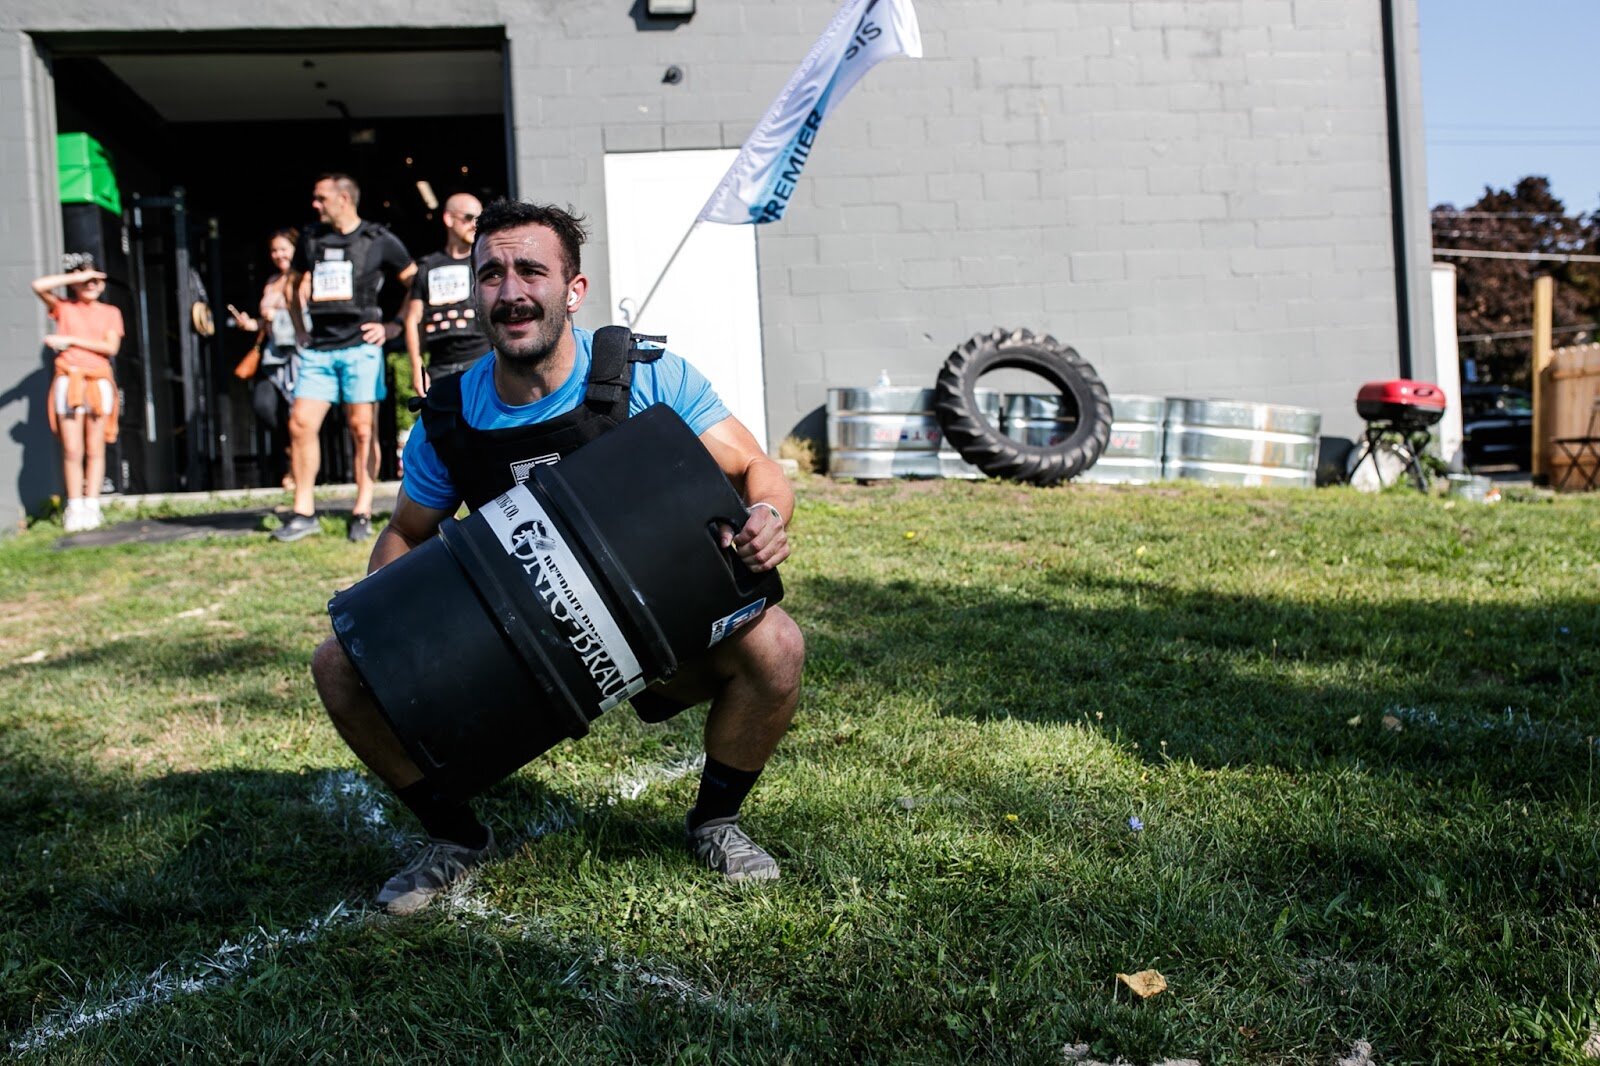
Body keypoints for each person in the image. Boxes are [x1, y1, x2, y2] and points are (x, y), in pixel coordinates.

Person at [310, 200, 804, 915]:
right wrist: (390, 614)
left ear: (573, 290)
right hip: (522, 650)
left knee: (777, 644)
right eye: (490, 274)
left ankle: (717, 821)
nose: (510, 290)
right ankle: (453, 838)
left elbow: (758, 469)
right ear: (474, 292)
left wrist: (766, 516)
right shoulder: (450, 419)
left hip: (657, 629)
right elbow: (406, 533)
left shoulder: (645, 378)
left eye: (531, 271)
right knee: (339, 665)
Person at [275, 173, 416, 544]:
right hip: (319, 348)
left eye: (321, 198)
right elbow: (291, 285)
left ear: (343, 198)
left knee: (362, 429)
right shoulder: (311, 239)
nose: (315, 205)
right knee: (300, 424)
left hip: (361, 347)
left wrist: (394, 326)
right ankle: (303, 512)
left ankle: (363, 509)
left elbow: (414, 281)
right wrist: (298, 327)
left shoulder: (377, 239)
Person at [31, 253, 124, 533]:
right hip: (69, 381)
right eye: (86, 281)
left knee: (95, 446)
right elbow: (38, 285)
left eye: (96, 280)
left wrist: (70, 340)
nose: (91, 284)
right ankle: (75, 505)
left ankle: (92, 504)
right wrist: (78, 276)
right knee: (72, 448)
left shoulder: (111, 313)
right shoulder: (64, 307)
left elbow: (110, 348)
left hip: (97, 381)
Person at [230, 228, 305, 490]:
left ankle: (297, 472)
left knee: (298, 415)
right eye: (274, 250)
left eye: (283, 249)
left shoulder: (304, 280)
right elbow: (267, 321)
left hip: (297, 355)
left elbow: (306, 318)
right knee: (266, 407)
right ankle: (290, 457)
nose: (278, 255)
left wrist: (281, 317)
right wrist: (252, 324)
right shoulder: (272, 281)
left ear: (295, 249)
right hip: (273, 357)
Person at [404, 193, 490, 396]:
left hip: (482, 364)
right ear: (449, 219)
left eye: (480, 219)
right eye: (469, 218)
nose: (475, 225)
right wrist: (418, 369)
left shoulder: (486, 263)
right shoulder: (427, 266)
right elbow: (413, 319)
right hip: (439, 369)